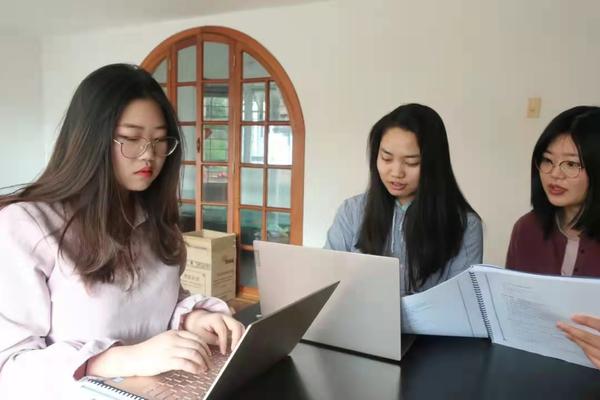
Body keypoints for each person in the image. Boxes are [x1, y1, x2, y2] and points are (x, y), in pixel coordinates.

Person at [0, 64, 244, 399]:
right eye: (130, 139)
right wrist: (122, 358)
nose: (149, 155)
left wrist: (192, 318)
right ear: (89, 140)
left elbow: (158, 305)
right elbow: (10, 369)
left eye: (160, 141)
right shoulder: (26, 225)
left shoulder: (154, 220)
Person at [325, 103, 483, 295]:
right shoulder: (351, 212)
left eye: (411, 162)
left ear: (434, 165)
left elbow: (462, 301)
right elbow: (327, 282)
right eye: (386, 158)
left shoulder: (464, 225)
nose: (396, 172)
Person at [505, 106, 600, 368]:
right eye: (547, 160)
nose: (554, 174)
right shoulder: (526, 229)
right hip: (532, 367)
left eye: (571, 164)